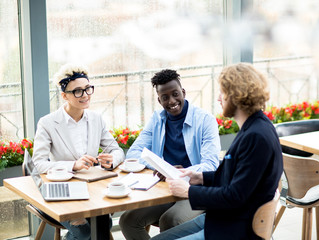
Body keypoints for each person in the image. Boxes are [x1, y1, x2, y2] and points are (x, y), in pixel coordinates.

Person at [150, 62, 283, 240]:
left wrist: (188, 191)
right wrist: (200, 177)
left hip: (234, 228)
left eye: (222, 93)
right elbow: (238, 177)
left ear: (236, 95)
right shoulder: (255, 127)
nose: (219, 99)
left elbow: (235, 196)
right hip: (224, 218)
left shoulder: (256, 137)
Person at [120, 69, 221, 240]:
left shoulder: (205, 120)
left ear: (183, 92)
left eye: (175, 94)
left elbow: (211, 165)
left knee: (171, 220)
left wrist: (182, 172)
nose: (172, 101)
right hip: (167, 188)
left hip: (196, 190)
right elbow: (134, 153)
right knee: (127, 220)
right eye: (165, 97)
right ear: (159, 100)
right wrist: (164, 168)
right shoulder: (157, 119)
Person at [32, 63, 125, 240]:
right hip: (62, 191)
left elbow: (117, 150)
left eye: (88, 89)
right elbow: (39, 164)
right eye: (77, 91)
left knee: (104, 225)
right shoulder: (47, 123)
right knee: (85, 232)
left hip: (93, 190)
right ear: (64, 96)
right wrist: (73, 165)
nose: (85, 95)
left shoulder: (96, 118)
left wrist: (112, 159)